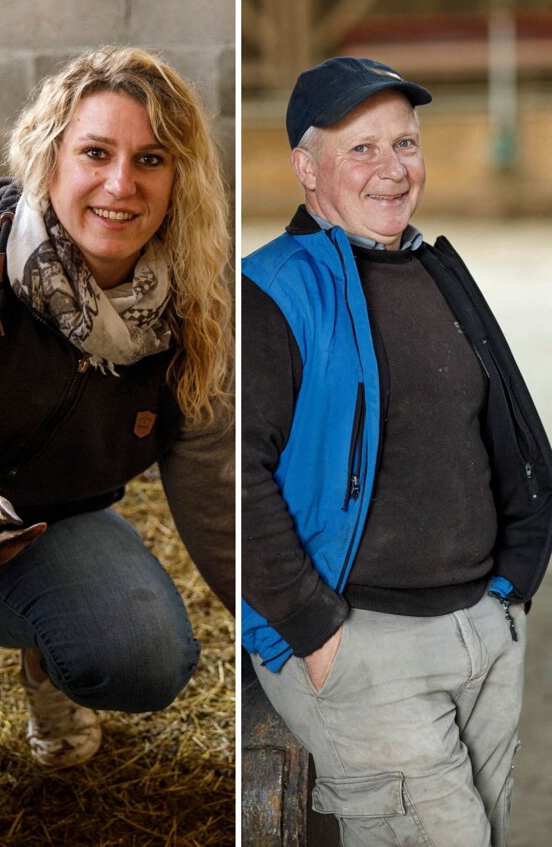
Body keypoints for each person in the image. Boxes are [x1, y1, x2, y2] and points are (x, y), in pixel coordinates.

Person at [242, 56, 552, 845]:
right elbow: (229, 477)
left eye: (405, 144)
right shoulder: (269, 290)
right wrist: (314, 631)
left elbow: (502, 426)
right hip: (361, 639)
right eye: (362, 149)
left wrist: (514, 581)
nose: (392, 169)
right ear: (306, 168)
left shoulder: (434, 268)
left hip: (482, 625)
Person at [0, 46, 235, 768]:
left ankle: (43, 658)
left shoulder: (197, 313)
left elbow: (220, 497)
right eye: (96, 152)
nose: (120, 184)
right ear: (49, 156)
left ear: (180, 177)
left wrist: (284, 635)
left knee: (147, 656)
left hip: (47, 525)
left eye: (151, 159)